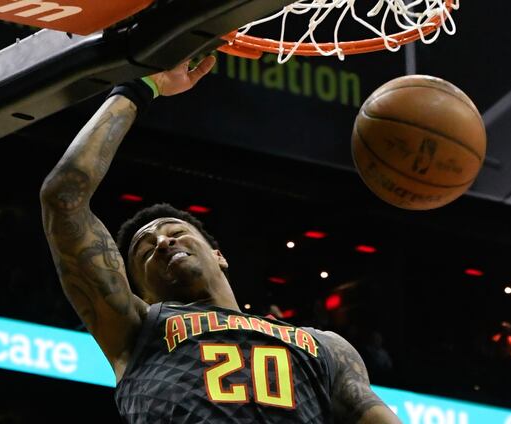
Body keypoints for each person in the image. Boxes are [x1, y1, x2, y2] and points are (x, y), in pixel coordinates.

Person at [40, 55, 400, 423]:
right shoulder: (136, 327)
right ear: (142, 294)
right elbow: (63, 198)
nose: (163, 242)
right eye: (146, 251)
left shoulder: (327, 347)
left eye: (176, 232)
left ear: (219, 255)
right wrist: (141, 87)